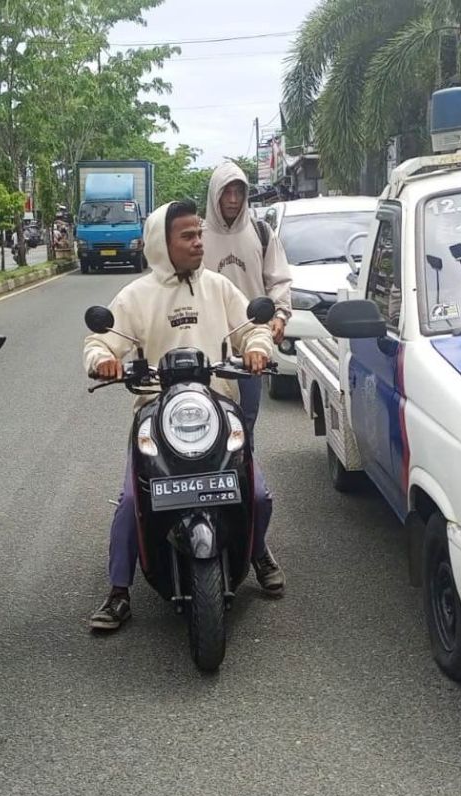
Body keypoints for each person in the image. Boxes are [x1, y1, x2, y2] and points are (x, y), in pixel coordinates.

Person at [84, 199, 287, 631]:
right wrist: (103, 359)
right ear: (163, 242)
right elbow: (101, 340)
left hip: (216, 405)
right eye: (188, 236)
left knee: (257, 495)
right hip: (157, 411)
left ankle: (257, 549)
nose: (199, 242)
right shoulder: (136, 296)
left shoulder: (218, 287)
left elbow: (252, 326)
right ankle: (119, 590)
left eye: (200, 234)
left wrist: (256, 347)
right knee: (129, 503)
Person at [202, 163, 292, 436]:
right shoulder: (196, 237)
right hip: (208, 345)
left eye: (238, 192)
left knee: (247, 419)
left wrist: (279, 314)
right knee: (208, 418)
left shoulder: (261, 233)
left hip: (251, 344)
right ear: (214, 195)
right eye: (226, 192)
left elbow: (278, 279)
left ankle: (245, 475)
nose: (232, 199)